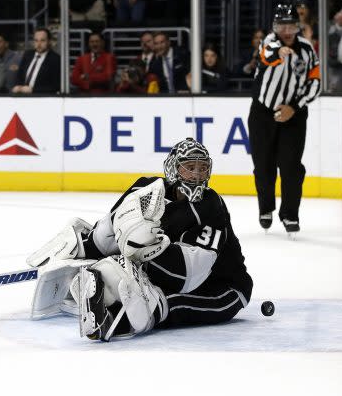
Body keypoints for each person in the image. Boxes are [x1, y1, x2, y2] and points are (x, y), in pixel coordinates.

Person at [27, 138, 253, 341]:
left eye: (202, 168)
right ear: (173, 169)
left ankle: (120, 316)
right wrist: (86, 247)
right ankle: (107, 290)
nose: (196, 174)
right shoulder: (145, 188)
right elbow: (112, 227)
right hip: (168, 272)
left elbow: (192, 273)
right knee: (124, 266)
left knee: (163, 304)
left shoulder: (211, 206)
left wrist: (146, 250)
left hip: (222, 287)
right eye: (189, 168)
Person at [249, 4, 320, 235]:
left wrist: (294, 107)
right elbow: (266, 54)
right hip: (263, 113)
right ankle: (266, 208)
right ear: (275, 26)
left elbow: (315, 83)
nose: (286, 30)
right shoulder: (269, 42)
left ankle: (290, 214)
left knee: (291, 167)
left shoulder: (307, 49)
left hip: (294, 115)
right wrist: (279, 52)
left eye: (291, 25)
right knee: (263, 165)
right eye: (282, 25)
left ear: (298, 26)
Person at [12, 28, 60, 94]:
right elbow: (19, 76)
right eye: (36, 40)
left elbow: (55, 86)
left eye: (42, 40)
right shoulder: (27, 55)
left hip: (42, 99)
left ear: (49, 41)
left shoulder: (55, 59)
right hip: (23, 97)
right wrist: (18, 86)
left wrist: (33, 90)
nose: (39, 44)